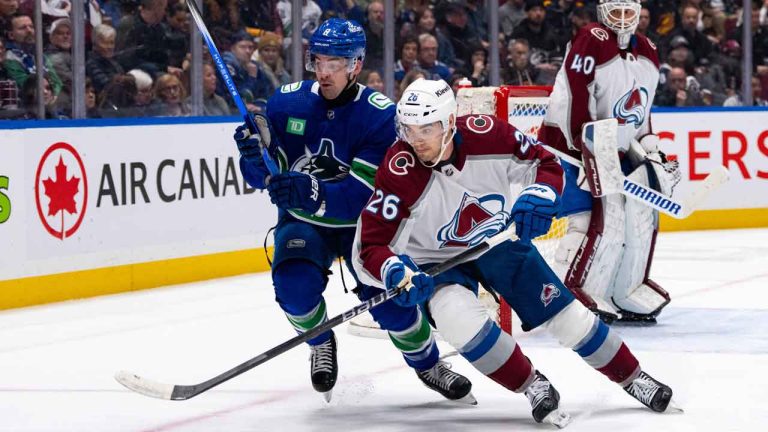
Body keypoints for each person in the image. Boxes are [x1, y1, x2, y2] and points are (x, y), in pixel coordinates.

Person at [353, 78, 676, 426]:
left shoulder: (487, 133)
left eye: (426, 129)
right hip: (436, 261)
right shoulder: (399, 169)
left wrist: (540, 195)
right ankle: (532, 385)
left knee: (567, 316)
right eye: (408, 129)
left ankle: (633, 377)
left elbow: (545, 164)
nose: (416, 140)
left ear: (449, 122)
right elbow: (371, 246)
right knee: (458, 321)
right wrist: (396, 273)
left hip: (495, 241)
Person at [234, 18, 473, 403]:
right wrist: (252, 157)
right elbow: (262, 178)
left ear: (357, 64)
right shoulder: (285, 103)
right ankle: (319, 341)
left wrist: (309, 190)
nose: (323, 72)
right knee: (293, 287)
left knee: (395, 306)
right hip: (303, 223)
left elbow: (361, 195)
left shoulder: (380, 115)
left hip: (365, 227)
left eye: (335, 63)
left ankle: (428, 363)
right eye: (318, 61)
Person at [537, 0, 681, 324]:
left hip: (612, 149)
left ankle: (625, 289)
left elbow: (640, 113)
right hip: (569, 149)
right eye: (615, 12)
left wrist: (652, 151)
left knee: (638, 216)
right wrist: (584, 150)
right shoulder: (592, 38)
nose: (622, 20)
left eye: (628, 12)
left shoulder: (647, 51)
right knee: (592, 220)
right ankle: (564, 291)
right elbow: (576, 98)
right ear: (603, 11)